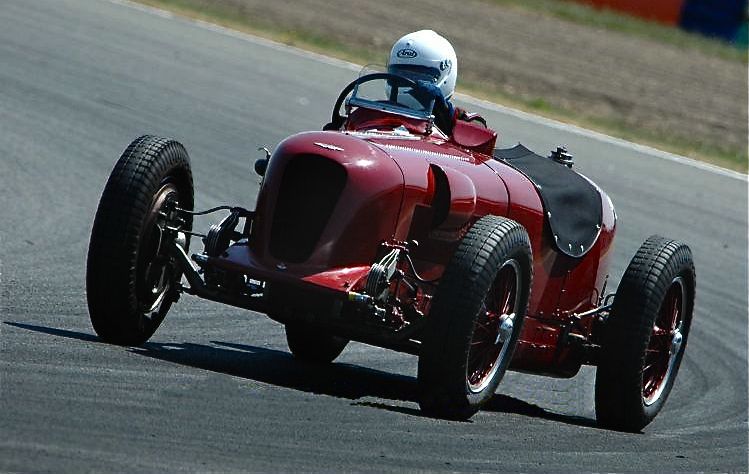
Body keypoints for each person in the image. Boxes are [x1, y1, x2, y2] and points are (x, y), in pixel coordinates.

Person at [387, 30, 487, 136]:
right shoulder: (378, 112)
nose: (407, 81)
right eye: (398, 75)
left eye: (417, 77)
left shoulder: (463, 122)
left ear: (446, 76)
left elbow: (476, 138)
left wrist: (442, 113)